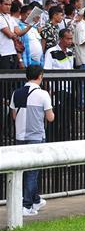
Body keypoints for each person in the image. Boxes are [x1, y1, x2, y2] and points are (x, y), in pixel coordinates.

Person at [9, 64, 54, 216]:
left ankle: (35, 200)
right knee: (33, 172)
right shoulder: (43, 94)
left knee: (25, 171)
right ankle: (26, 205)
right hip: (36, 137)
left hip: (20, 136)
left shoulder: (16, 93)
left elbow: (14, 116)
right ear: (40, 76)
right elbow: (50, 117)